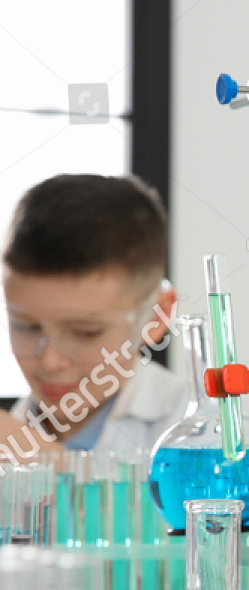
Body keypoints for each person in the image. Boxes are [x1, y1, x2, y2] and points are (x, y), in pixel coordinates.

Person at [1, 174, 185, 463]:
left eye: (85, 332)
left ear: (157, 316)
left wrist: (43, 462)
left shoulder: (201, 433)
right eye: (27, 326)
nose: (50, 361)